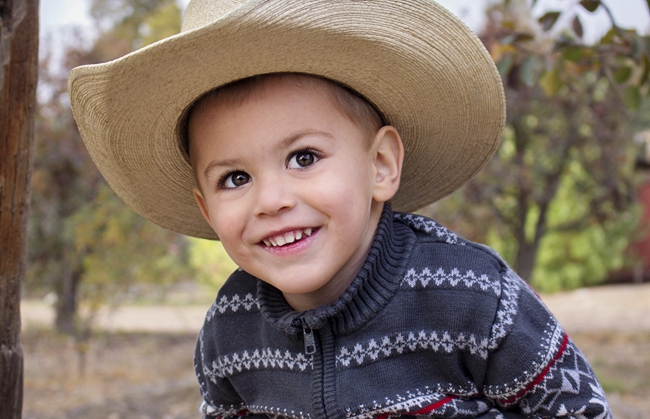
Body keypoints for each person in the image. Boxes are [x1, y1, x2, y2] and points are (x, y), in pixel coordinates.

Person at [68, 0, 612, 417]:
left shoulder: (472, 297)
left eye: (304, 157)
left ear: (380, 165)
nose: (273, 199)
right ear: (207, 211)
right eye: (235, 178)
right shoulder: (231, 332)